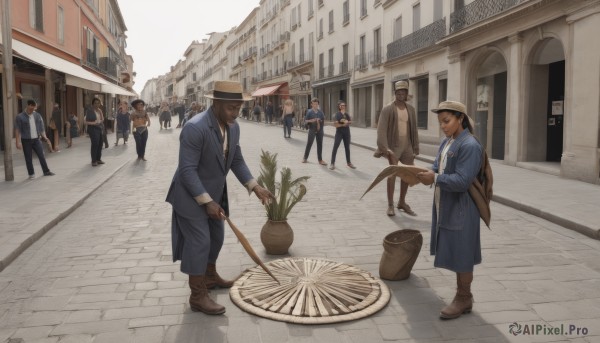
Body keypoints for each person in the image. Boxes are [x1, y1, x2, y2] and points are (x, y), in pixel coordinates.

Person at [166, 80, 274, 315]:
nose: (235, 113)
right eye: (230, 108)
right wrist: (207, 201)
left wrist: (255, 186)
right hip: (188, 195)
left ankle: (210, 277)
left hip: (214, 193)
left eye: (238, 108)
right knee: (200, 240)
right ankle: (197, 295)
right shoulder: (195, 128)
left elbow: (235, 159)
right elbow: (186, 171)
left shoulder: (233, 127)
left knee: (216, 236)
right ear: (215, 104)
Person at [416, 100, 482, 320]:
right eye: (440, 122)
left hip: (462, 208)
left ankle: (464, 297)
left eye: (447, 121)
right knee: (455, 248)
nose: (443, 126)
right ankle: (465, 297)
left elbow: (463, 181)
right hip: (446, 204)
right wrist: (421, 173)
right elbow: (437, 167)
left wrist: (434, 178)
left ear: (460, 118)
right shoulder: (447, 142)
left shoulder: (470, 145)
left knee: (462, 251)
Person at [375, 80, 419, 217]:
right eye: (398, 92)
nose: (401, 95)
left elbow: (414, 129)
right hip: (393, 146)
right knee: (392, 174)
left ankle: (402, 202)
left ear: (406, 94)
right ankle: (390, 205)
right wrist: (385, 148)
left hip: (408, 146)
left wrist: (415, 147)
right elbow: (381, 129)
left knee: (407, 173)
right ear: (395, 93)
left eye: (403, 92)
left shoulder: (410, 109)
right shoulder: (388, 108)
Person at [14, 99, 55, 179]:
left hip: (36, 139)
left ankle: (46, 171)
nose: (33, 109)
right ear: (28, 105)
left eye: (34, 108)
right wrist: (17, 142)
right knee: (28, 158)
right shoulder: (20, 117)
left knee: (41, 155)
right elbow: (17, 130)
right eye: (32, 108)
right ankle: (31, 174)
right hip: (26, 140)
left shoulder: (37, 115)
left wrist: (45, 137)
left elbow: (41, 128)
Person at [329, 101, 355, 170]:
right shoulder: (337, 114)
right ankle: (332, 163)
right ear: (339, 107)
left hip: (347, 132)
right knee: (335, 147)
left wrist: (347, 122)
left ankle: (349, 162)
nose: (343, 106)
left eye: (344, 105)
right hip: (339, 133)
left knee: (347, 148)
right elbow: (336, 125)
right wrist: (343, 124)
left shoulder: (347, 114)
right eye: (342, 105)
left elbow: (350, 121)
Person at [302, 98, 327, 165]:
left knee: (320, 145)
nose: (315, 105)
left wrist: (319, 120)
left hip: (320, 130)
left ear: (318, 104)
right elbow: (306, 121)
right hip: (312, 130)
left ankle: (320, 160)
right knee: (309, 144)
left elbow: (323, 121)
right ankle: (305, 158)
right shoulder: (309, 111)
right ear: (311, 104)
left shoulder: (321, 112)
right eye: (314, 104)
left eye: (316, 104)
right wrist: (312, 120)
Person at [85, 98, 105, 166]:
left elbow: (102, 119)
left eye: (98, 103)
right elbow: (86, 121)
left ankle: (98, 159)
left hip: (99, 128)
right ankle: (93, 161)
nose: (97, 104)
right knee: (95, 144)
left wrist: (100, 121)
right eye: (95, 103)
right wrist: (94, 123)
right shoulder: (89, 111)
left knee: (100, 143)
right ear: (93, 104)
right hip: (93, 129)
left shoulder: (99, 110)